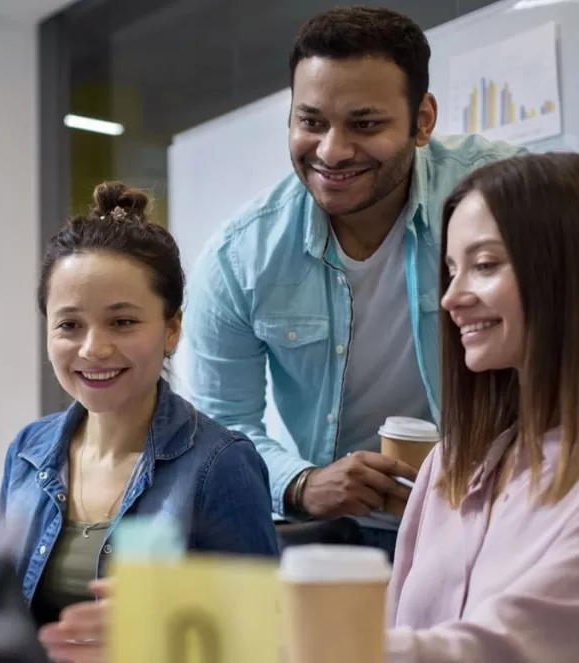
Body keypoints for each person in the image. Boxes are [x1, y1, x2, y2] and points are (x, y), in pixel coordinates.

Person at [180, 5, 524, 557]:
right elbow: (221, 424)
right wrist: (302, 483)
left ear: (423, 120)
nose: (332, 151)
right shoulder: (240, 257)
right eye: (311, 122)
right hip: (348, 532)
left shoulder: (501, 192)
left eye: (365, 125)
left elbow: (577, 332)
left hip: (503, 511)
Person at [0, 182, 279, 640]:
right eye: (70, 324)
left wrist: (154, 633)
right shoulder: (27, 452)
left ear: (172, 329)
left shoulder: (220, 464)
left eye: (122, 322)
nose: (93, 349)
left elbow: (263, 636)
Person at [387, 152, 579, 660]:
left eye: (484, 265)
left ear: (571, 272)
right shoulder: (449, 463)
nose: (451, 298)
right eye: (451, 270)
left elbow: (501, 649)